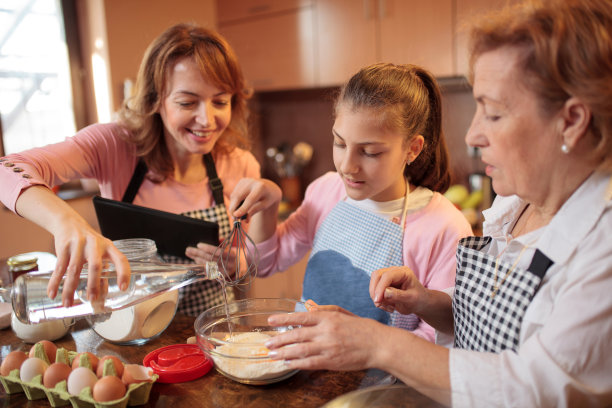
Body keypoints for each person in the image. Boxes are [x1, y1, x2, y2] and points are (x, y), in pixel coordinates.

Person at [261, 0, 612, 406]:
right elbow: (482, 334)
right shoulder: (515, 208)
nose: (473, 135)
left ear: (571, 120)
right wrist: (428, 302)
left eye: (493, 114)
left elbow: (538, 390)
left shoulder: (601, 249)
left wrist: (379, 343)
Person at [0, 23, 260, 316]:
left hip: (210, 330)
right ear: (155, 100)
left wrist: (235, 263)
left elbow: (246, 259)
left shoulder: (241, 164)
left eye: (220, 101)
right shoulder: (115, 145)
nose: (206, 119)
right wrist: (66, 222)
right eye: (187, 102)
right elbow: (6, 169)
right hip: (133, 331)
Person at [231, 63, 473, 341]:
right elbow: (263, 265)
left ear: (412, 149)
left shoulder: (444, 227)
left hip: (380, 382)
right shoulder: (326, 191)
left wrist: (365, 346)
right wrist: (268, 206)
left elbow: (441, 337)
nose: (347, 166)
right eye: (340, 143)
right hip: (306, 363)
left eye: (369, 152)